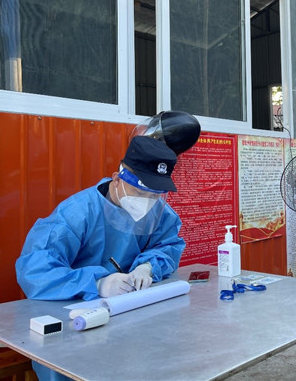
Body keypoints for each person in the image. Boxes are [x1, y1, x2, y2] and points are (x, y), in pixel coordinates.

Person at [16, 136, 186, 380]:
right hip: (70, 321)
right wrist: (96, 283)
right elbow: (34, 270)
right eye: (139, 193)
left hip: (127, 315)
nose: (147, 204)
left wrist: (147, 267)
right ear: (117, 180)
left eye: (155, 195)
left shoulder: (159, 212)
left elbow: (168, 245)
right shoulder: (78, 212)